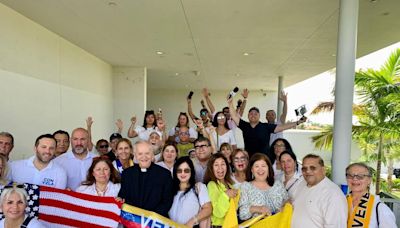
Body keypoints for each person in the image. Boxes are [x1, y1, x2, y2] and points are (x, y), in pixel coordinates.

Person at [227, 98, 306, 159]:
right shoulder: (244, 125)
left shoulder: (266, 126)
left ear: (259, 116)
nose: (253, 115)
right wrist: (230, 103)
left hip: (264, 160)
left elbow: (282, 127)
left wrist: (297, 122)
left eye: (255, 113)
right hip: (250, 160)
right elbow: (234, 116)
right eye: (251, 113)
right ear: (248, 116)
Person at [118, 141, 173, 217]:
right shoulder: (127, 174)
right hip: (133, 221)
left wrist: (149, 218)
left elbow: (167, 201)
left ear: (152, 155)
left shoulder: (164, 174)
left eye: (147, 153)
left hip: (155, 221)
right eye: (140, 154)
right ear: (135, 155)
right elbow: (123, 196)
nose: (144, 157)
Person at [291, 154, 347, 228]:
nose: (308, 171)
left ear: (323, 170)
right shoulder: (301, 184)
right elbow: (293, 202)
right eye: (304, 168)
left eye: (313, 168)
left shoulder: (333, 194)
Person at [238, 153, 288, 220]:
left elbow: (288, 201)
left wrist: (284, 207)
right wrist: (257, 209)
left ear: (268, 168)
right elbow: (242, 214)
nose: (260, 169)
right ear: (252, 170)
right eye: (256, 166)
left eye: (263, 166)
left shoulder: (277, 184)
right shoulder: (245, 186)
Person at [346, 163, 396, 228]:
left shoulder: (380, 208)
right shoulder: (341, 201)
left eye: (360, 176)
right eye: (350, 175)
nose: (355, 179)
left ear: (369, 180)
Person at [169, 156, 212, 227]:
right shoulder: (170, 189)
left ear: (191, 171)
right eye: (179, 170)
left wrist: (192, 221)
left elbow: (208, 209)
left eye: (186, 170)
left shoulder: (199, 187)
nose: (183, 173)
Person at [204, 153, 237, 226]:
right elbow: (218, 212)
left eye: (223, 164)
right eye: (216, 165)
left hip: (232, 224)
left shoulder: (230, 185)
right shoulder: (212, 185)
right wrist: (226, 195)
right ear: (211, 168)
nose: (220, 168)